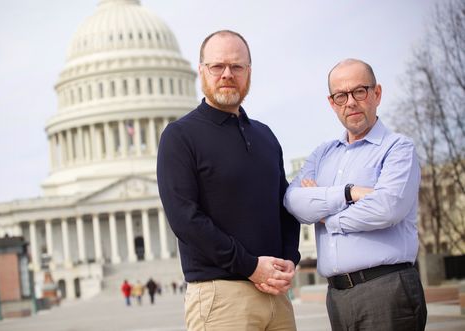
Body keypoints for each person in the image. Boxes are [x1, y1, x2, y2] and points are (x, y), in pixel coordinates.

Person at [157, 30, 300, 331]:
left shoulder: (265, 136)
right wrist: (250, 267)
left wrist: (290, 257)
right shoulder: (180, 136)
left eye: (236, 67)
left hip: (276, 295)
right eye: (217, 66)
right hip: (220, 297)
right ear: (201, 71)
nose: (227, 74)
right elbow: (185, 220)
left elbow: (284, 205)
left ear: (249, 72)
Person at [284, 58, 427, 330]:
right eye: (341, 95)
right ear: (331, 102)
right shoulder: (322, 155)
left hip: (386, 291)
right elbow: (293, 201)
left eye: (359, 91)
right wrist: (349, 194)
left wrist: (326, 217)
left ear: (377, 93)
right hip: (337, 297)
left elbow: (386, 208)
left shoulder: (398, 149)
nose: (350, 102)